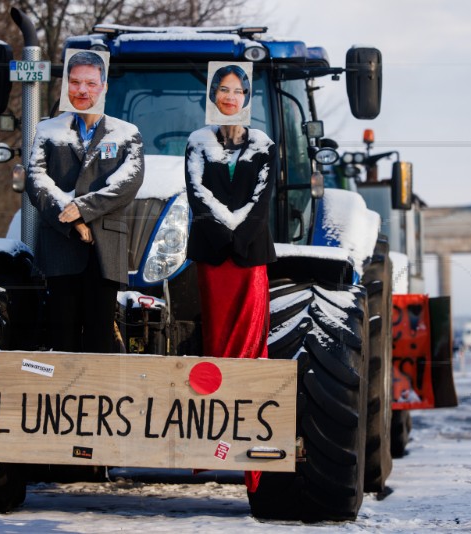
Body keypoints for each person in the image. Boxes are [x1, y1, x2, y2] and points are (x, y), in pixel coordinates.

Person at [185, 90, 277, 493]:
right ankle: (214, 445)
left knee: (251, 343)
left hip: (250, 254)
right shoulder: (197, 143)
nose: (230, 97)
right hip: (212, 255)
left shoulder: (264, 146)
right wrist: (224, 234)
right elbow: (196, 193)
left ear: (247, 96)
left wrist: (240, 236)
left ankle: (252, 454)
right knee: (217, 342)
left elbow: (263, 198)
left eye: (237, 90)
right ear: (212, 96)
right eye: (222, 89)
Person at [26, 53, 144, 354]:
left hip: (105, 250)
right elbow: (36, 181)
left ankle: (96, 398)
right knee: (60, 335)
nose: (82, 90)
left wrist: (84, 208)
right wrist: (72, 220)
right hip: (60, 246)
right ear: (67, 86)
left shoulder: (126, 134)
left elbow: (127, 184)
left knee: (99, 335)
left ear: (103, 86)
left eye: (90, 83)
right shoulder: (47, 132)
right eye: (76, 82)